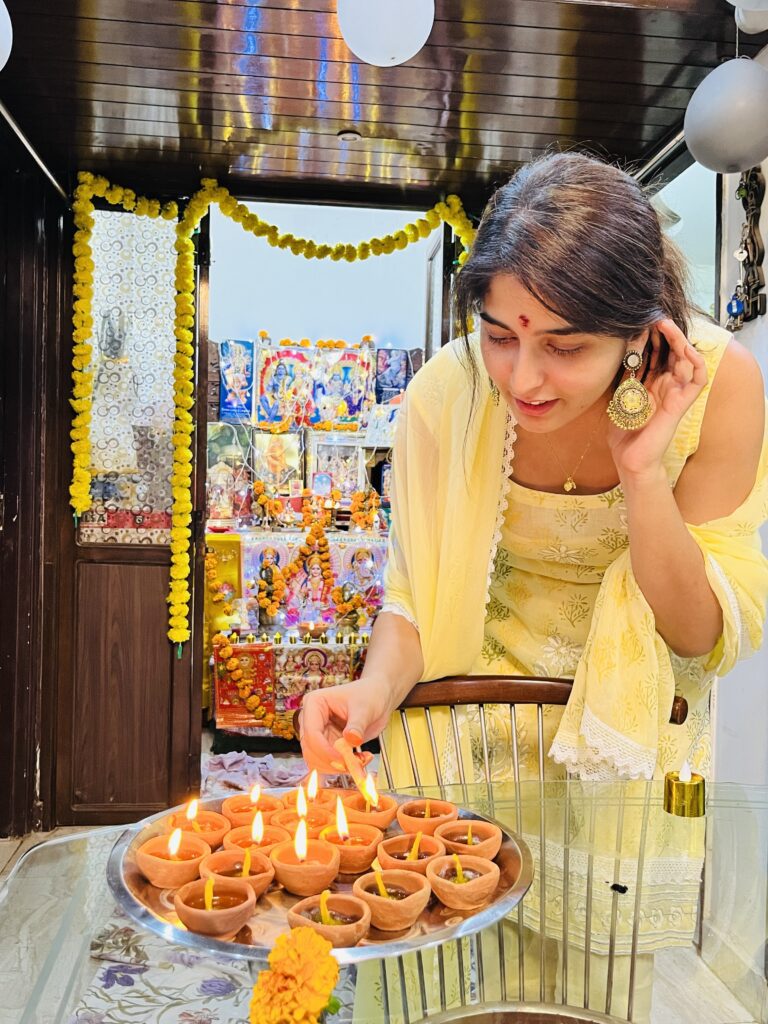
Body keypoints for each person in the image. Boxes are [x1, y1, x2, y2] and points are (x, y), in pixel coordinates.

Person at [300, 152, 768, 785]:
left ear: (637, 331)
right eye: (497, 336)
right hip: (466, 737)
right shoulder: (448, 394)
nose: (522, 379)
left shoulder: (714, 386)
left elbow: (695, 633)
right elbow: (413, 595)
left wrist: (642, 472)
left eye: (565, 346)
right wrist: (373, 691)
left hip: (632, 752)